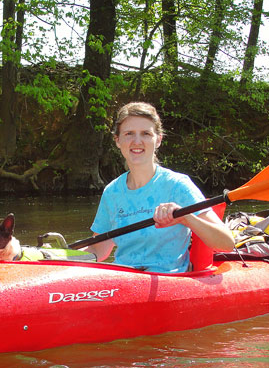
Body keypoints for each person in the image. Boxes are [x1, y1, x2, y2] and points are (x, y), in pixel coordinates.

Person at [84, 102, 234, 273]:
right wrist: (57, 256)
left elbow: (226, 243)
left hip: (167, 282)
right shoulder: (112, 192)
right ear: (117, 140)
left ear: (158, 140)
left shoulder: (178, 185)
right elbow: (98, 250)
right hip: (124, 279)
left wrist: (186, 217)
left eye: (146, 134)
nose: (137, 141)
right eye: (129, 133)